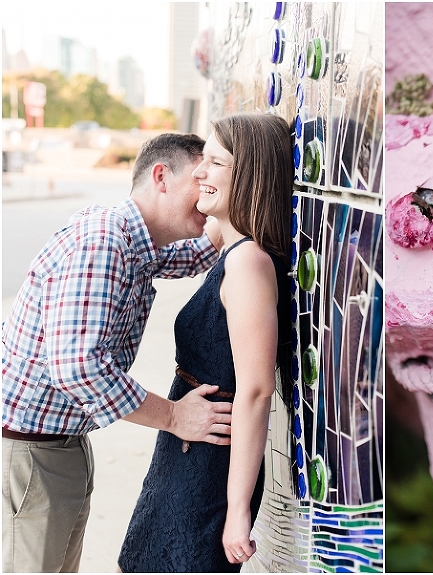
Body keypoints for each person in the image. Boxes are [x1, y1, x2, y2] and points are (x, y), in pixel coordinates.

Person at [1, 132, 234, 573]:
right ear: (161, 177)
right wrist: (175, 416)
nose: (206, 194)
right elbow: (78, 369)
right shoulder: (103, 242)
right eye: (200, 180)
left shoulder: (134, 239)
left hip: (57, 447)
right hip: (30, 455)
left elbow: (193, 255)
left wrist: (238, 207)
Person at [117, 113, 294, 572]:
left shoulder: (249, 264)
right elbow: (192, 229)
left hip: (211, 463)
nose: (198, 173)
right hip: (183, 448)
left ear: (249, 174)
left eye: (214, 162)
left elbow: (255, 392)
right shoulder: (228, 246)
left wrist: (237, 510)